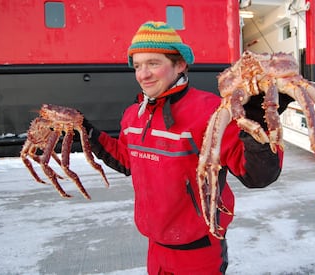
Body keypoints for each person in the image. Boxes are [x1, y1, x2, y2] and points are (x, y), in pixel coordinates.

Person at [82, 21, 293, 275]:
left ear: (180, 64)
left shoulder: (210, 111)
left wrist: (257, 119)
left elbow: (258, 175)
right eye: (137, 65)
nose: (143, 74)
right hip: (155, 248)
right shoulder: (133, 115)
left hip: (199, 252)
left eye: (153, 63)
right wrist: (88, 133)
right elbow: (128, 160)